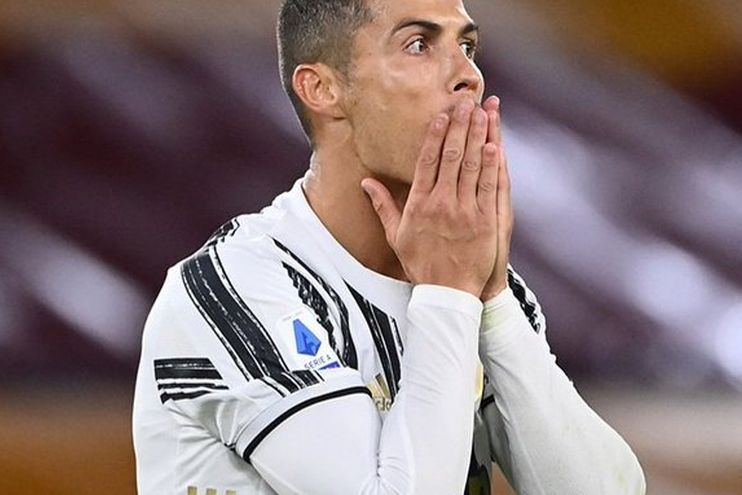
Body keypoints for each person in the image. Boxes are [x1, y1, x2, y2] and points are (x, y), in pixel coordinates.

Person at [132, 0, 646, 493]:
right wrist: (449, 296)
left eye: (467, 46)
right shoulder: (229, 289)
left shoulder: (472, 283)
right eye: (419, 44)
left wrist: (492, 304)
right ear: (322, 88)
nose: (468, 75)